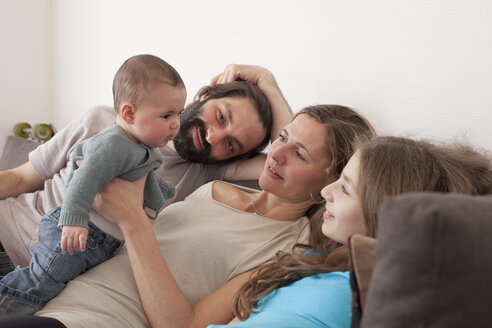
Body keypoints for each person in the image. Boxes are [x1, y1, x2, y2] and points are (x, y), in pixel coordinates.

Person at [0, 104, 376, 326]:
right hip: (44, 300)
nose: (277, 155)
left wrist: (132, 220)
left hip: (92, 321)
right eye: (282, 137)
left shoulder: (289, 248)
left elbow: (185, 325)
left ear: (334, 178)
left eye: (301, 154)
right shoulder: (213, 189)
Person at [0, 64, 287, 268]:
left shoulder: (206, 173)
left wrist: (268, 82)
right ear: (207, 96)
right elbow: (20, 178)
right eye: (222, 117)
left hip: (34, 271)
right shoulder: (102, 120)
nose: (213, 137)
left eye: (232, 145)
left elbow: (294, 166)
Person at [207, 136, 492, 327]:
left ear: (379, 210)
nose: (324, 191)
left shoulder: (340, 297)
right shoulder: (324, 259)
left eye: (344, 188)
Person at [0, 54, 187, 316]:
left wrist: (165, 192)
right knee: (37, 284)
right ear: (129, 113)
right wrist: (74, 219)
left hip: (92, 239)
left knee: (45, 286)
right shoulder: (113, 143)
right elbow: (84, 179)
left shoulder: (145, 149)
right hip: (70, 229)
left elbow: (146, 182)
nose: (176, 124)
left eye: (179, 113)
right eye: (167, 115)